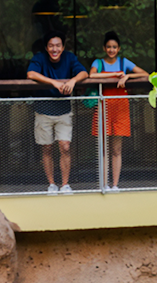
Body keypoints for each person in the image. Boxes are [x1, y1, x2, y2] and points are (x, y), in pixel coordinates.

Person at [27, 30, 88, 194]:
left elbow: (84, 72)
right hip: (43, 110)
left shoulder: (69, 57)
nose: (55, 49)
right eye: (51, 46)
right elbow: (31, 73)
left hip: (64, 110)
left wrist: (73, 80)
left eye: (58, 45)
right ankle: (52, 184)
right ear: (46, 48)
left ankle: (65, 184)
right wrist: (54, 83)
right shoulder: (39, 58)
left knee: (65, 146)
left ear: (63, 46)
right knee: (47, 147)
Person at [90, 31, 148, 192]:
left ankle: (115, 184)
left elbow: (145, 74)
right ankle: (104, 184)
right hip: (104, 105)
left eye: (114, 47)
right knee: (103, 148)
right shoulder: (99, 63)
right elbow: (91, 75)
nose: (111, 50)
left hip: (121, 106)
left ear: (119, 48)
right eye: (108, 47)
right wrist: (115, 75)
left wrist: (128, 76)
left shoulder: (124, 62)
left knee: (116, 149)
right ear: (104, 48)